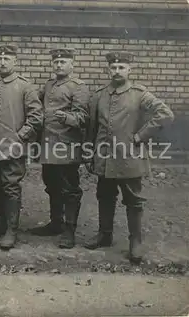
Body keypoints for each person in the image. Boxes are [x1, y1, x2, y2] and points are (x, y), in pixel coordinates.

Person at [84, 51, 174, 264]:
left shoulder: (140, 94)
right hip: (104, 157)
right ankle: (104, 235)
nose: (117, 71)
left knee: (133, 200)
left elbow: (165, 114)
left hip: (129, 157)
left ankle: (136, 242)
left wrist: (140, 136)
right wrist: (89, 153)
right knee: (104, 196)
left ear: (129, 69)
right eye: (113, 68)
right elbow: (92, 127)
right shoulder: (99, 95)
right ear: (108, 70)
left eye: (121, 67)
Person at [0, 44, 43, 250]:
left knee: (11, 186)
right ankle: (2, 223)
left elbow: (36, 117)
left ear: (15, 61)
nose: (3, 62)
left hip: (13, 146)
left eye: (7, 59)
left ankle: (11, 230)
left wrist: (20, 137)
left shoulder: (25, 86)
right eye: (0, 59)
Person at [28, 48, 90, 249]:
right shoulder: (49, 85)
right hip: (47, 146)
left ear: (72, 64)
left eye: (63, 62)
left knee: (70, 190)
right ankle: (55, 224)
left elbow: (84, 118)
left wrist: (68, 118)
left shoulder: (78, 87)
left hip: (66, 147)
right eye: (56, 62)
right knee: (52, 185)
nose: (59, 65)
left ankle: (69, 231)